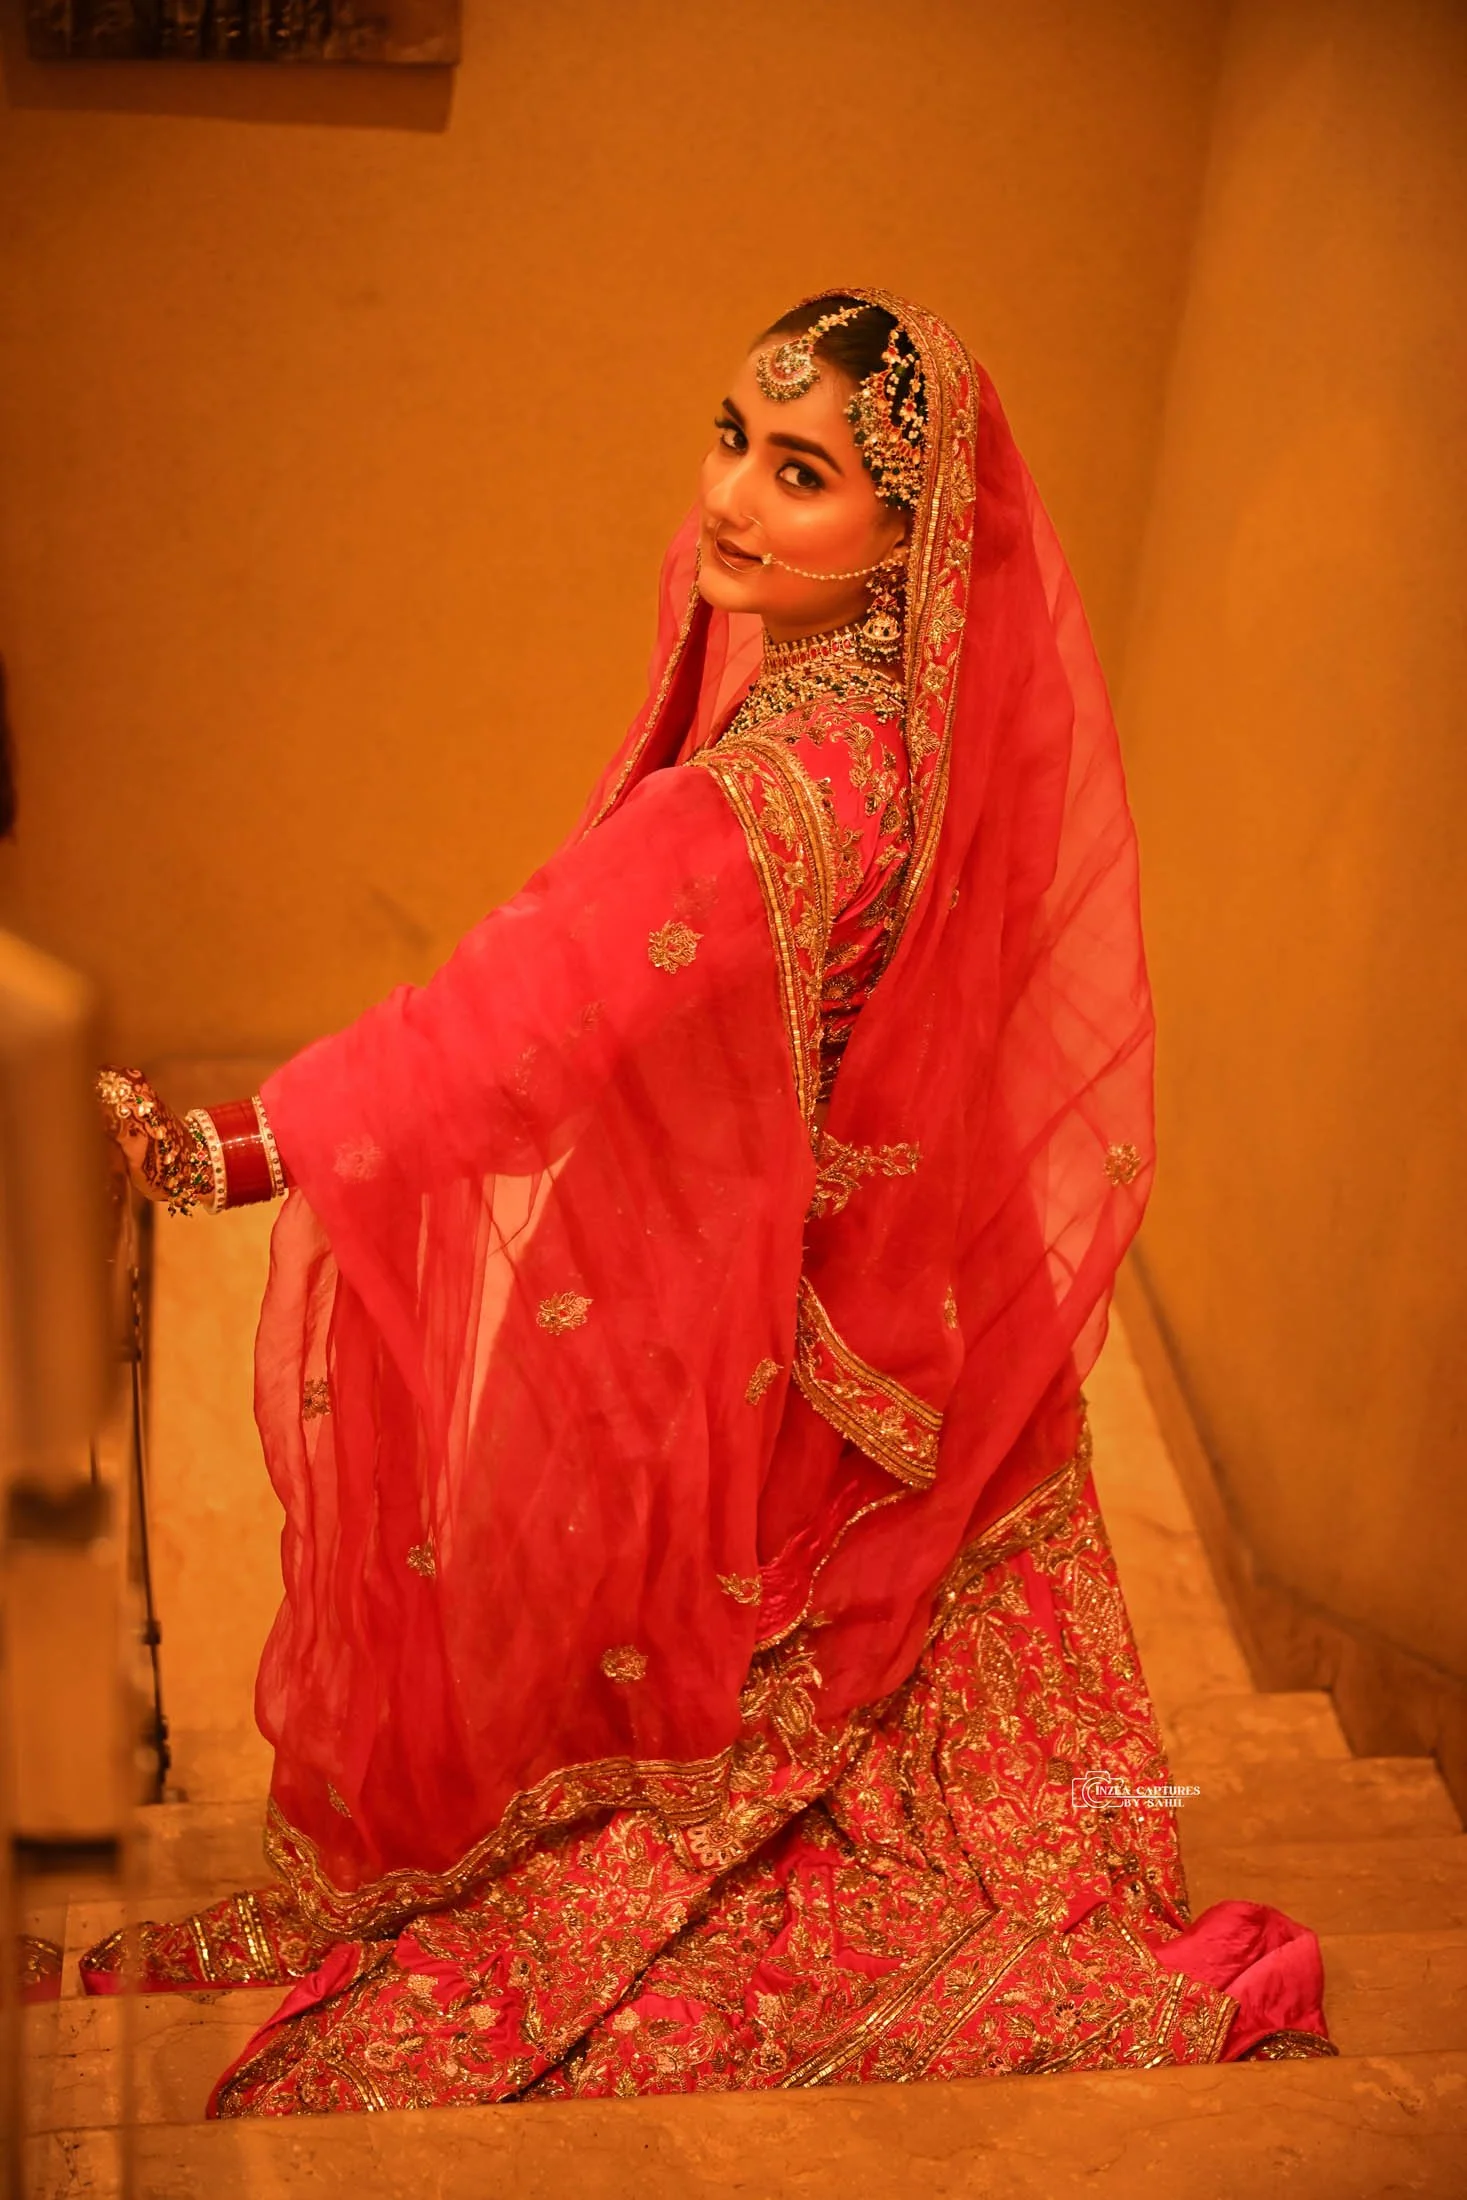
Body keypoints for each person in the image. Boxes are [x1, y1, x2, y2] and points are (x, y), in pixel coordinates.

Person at [91, 291, 1332, 2113]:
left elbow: (517, 1022)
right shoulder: (923, 735)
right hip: (914, 1306)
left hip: (776, 1344)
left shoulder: (761, 795)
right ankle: (1028, 1821)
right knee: (951, 1726)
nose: (734, 496)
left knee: (725, 1724)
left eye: (803, 472)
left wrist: (249, 1145)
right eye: (736, 438)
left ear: (904, 536)